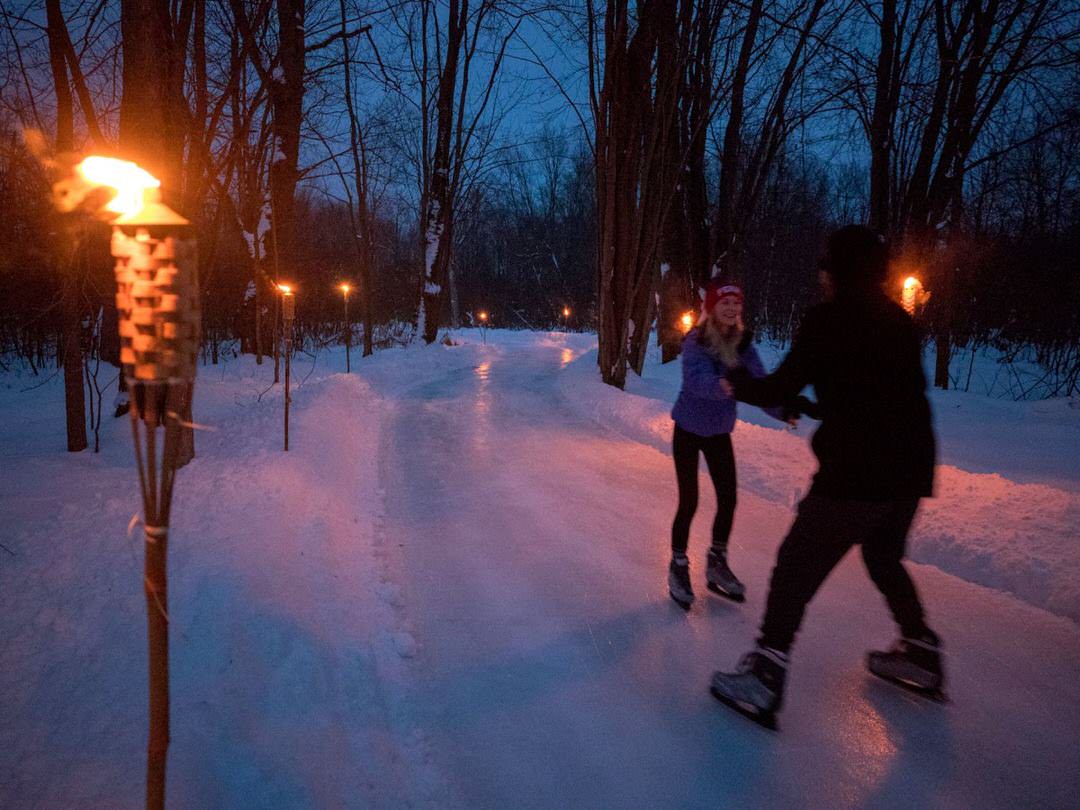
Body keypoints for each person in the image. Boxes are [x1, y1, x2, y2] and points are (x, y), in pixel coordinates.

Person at [709, 225, 943, 727]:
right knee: (883, 556)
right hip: (911, 466)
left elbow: (785, 381)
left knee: (796, 564)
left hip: (858, 470)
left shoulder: (828, 320)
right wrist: (817, 404)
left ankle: (765, 672)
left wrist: (736, 380)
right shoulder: (900, 322)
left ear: (837, 270)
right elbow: (876, 393)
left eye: (826, 265)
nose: (821, 275)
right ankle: (921, 649)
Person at [667, 281, 796, 609]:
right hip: (688, 429)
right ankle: (678, 565)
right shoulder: (695, 342)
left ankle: (717, 562)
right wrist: (724, 384)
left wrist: (782, 410)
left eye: (736, 303)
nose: (731, 308)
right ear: (711, 307)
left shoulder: (744, 348)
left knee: (729, 499)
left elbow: (759, 386)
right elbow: (694, 382)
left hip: (719, 432)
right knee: (689, 501)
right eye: (724, 302)